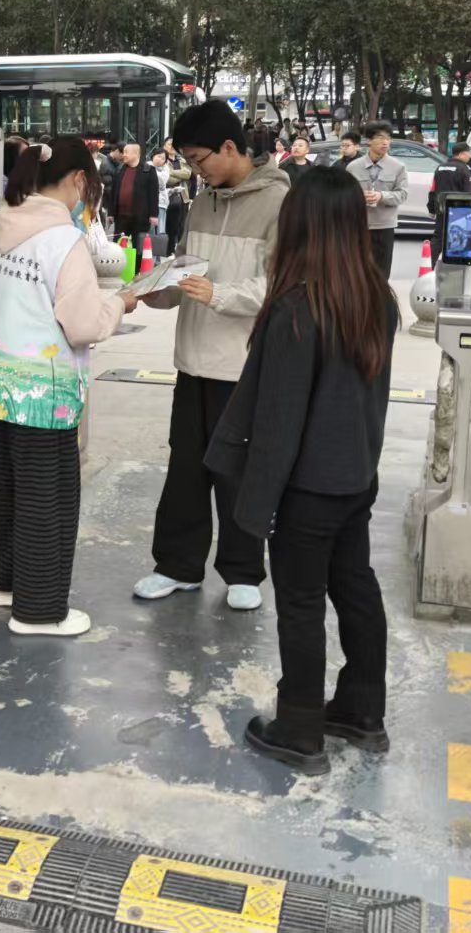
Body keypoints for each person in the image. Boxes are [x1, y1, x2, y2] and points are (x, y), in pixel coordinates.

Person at [205, 168, 397, 775]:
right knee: (356, 588)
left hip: (307, 489)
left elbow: (278, 423)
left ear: (301, 227)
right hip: (355, 477)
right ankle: (363, 712)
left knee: (302, 603)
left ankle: (299, 728)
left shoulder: (297, 308)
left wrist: (256, 506)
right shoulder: (377, 297)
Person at [0, 139, 138, 636]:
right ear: (78, 180)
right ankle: (39, 610)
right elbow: (83, 324)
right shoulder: (63, 241)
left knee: (2, 486)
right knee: (47, 496)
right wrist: (121, 303)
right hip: (44, 392)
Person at [136, 100, 289, 611]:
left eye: (199, 160)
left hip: (241, 365)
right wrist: (159, 290)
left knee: (237, 472)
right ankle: (177, 566)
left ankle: (244, 571)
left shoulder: (279, 203)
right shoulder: (203, 203)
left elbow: (280, 284)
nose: (195, 170)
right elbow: (187, 269)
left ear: (229, 147)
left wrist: (219, 295)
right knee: (185, 467)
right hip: (192, 359)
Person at [344, 123, 407, 280]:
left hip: (384, 226)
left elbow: (403, 194)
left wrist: (381, 196)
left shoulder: (398, 167)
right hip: (359, 225)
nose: (385, 142)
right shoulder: (353, 167)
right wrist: (357, 197)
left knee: (381, 273)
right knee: (357, 271)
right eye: (380, 138)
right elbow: (344, 195)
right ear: (369, 141)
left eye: (388, 138)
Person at [111, 141, 161, 254]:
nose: (124, 155)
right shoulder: (119, 170)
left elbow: (153, 195)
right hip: (121, 217)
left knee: (138, 247)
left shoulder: (148, 171)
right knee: (118, 246)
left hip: (140, 218)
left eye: (126, 152)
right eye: (124, 152)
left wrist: (154, 215)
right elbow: (114, 192)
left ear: (136, 154)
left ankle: (137, 265)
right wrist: (111, 212)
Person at [428, 141, 471, 255]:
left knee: (438, 238)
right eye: (468, 153)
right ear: (461, 154)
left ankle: (430, 263)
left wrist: (431, 209)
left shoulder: (440, 167)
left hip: (441, 209)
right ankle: (453, 265)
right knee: (458, 240)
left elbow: (433, 190)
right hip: (458, 212)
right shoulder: (465, 169)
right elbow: (468, 194)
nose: (470, 155)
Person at [163, 139, 194, 247]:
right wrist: (180, 175)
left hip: (183, 196)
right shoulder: (162, 160)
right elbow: (167, 179)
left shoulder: (182, 160)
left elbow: (188, 174)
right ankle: (169, 248)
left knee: (182, 225)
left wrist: (171, 172)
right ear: (164, 146)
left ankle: (180, 248)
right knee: (170, 225)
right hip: (168, 197)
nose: (172, 147)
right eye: (169, 144)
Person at [151, 149, 171, 236]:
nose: (160, 159)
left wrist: (152, 172)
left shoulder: (166, 169)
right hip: (148, 203)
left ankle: (159, 244)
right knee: (150, 229)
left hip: (161, 202)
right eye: (158, 156)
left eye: (163, 158)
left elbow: (162, 184)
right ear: (153, 156)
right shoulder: (146, 165)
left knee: (160, 229)